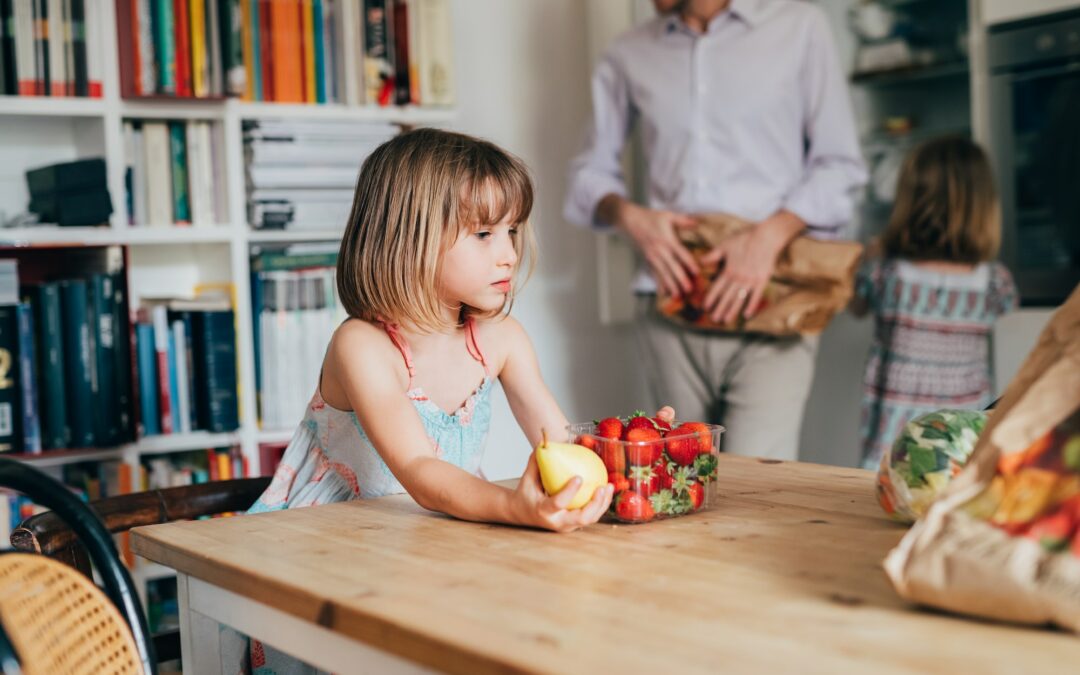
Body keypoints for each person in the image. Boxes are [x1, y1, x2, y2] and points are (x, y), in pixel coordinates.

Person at [232, 128, 674, 674]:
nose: (509, 253)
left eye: (512, 231)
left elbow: (561, 441)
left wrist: (636, 446)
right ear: (407, 238)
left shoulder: (501, 337)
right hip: (327, 564)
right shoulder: (363, 345)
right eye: (484, 233)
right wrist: (514, 507)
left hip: (431, 544)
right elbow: (420, 470)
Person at [564, 0, 866, 460]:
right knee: (681, 481)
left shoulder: (799, 28)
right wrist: (632, 218)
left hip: (775, 303)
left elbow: (839, 166)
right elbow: (589, 172)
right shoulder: (630, 52)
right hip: (670, 306)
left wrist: (768, 238)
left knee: (756, 491)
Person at [851, 136, 1017, 469]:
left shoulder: (888, 274)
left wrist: (867, 256)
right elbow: (1006, 313)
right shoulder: (995, 282)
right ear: (983, 207)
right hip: (961, 436)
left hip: (892, 442)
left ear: (910, 202)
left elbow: (855, 305)